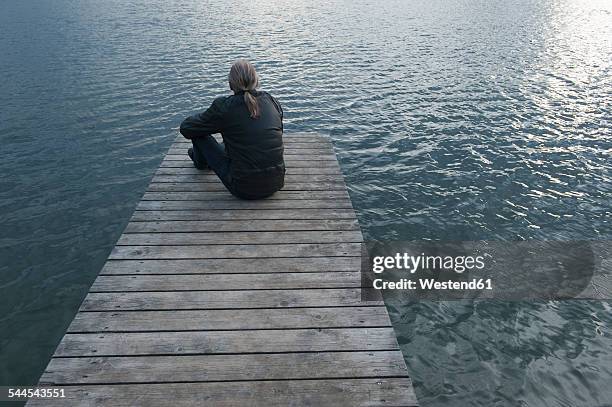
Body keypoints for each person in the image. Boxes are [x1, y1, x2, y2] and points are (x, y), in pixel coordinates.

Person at [179, 59, 285, 200]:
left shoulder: (224, 106)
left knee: (199, 134)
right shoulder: (271, 100)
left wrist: (207, 122)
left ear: (230, 84)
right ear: (256, 80)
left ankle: (201, 163)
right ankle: (206, 157)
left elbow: (186, 129)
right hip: (276, 182)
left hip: (244, 188)